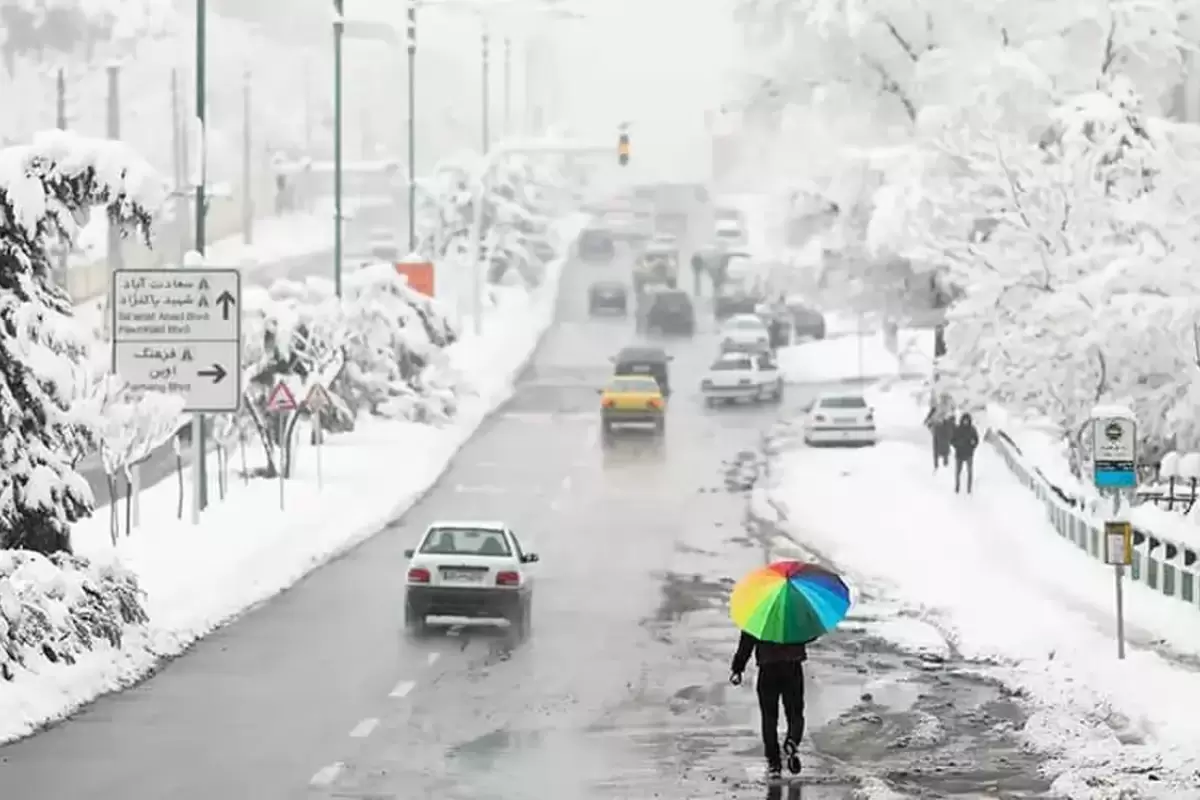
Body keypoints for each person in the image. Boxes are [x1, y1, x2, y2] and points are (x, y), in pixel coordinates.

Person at [730, 630, 807, 780]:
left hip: (768, 668)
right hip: (792, 667)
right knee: (795, 713)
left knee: (769, 718)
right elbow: (809, 634)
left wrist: (737, 669)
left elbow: (747, 641)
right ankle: (792, 740)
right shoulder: (795, 613)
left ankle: (774, 764)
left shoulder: (759, 614)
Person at [952, 412, 979, 493]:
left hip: (969, 454)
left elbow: (976, 440)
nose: (965, 422)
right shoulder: (958, 429)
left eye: (967, 421)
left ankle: (969, 489)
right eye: (964, 420)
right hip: (959, 454)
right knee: (957, 472)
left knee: (970, 472)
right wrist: (958, 444)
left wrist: (972, 445)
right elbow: (952, 441)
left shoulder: (972, 430)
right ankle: (957, 487)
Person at [923, 402, 953, 471]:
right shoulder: (937, 410)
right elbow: (929, 421)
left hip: (942, 431)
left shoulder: (946, 413)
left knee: (944, 446)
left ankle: (944, 463)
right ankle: (940, 464)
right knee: (939, 447)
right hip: (938, 431)